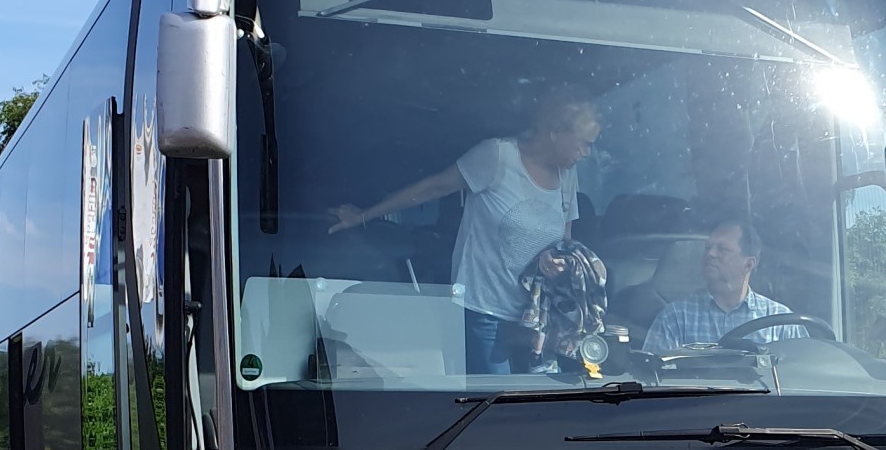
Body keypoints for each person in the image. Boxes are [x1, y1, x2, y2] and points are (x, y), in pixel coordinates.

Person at [330, 87, 602, 374]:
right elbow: (434, 187)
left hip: (536, 321)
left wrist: (558, 262)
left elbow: (564, 241)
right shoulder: (497, 156)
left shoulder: (567, 174)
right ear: (555, 131)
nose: (587, 153)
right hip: (485, 313)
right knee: (498, 399)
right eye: (584, 144)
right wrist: (364, 216)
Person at [643, 220, 805, 353]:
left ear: (748, 264)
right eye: (708, 248)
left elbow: (802, 374)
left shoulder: (781, 322)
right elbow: (651, 374)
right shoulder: (676, 317)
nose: (710, 254)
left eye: (722, 250)